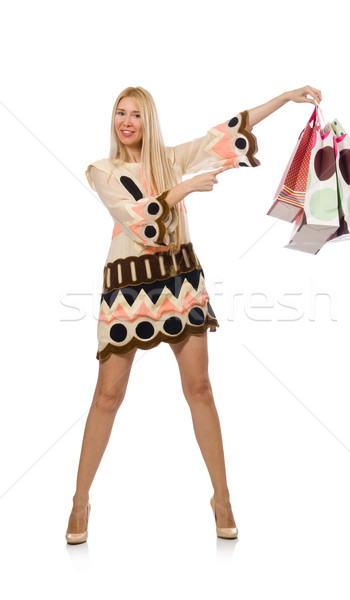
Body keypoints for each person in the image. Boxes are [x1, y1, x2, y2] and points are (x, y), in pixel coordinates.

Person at [65, 84, 322, 543]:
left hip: (181, 280)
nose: (126, 122)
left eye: (136, 115)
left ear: (149, 121)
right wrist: (185, 187)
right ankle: (80, 499)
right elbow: (139, 221)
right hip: (128, 288)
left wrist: (283, 99)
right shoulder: (102, 171)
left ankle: (221, 497)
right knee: (107, 396)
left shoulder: (168, 158)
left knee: (200, 388)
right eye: (120, 113)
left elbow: (225, 134)